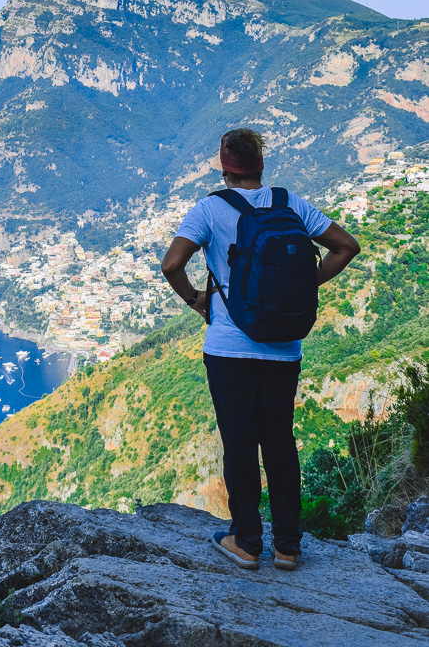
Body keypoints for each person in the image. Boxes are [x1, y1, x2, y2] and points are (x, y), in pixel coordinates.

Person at [161, 127, 360, 571]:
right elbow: (347, 246)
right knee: (280, 443)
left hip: (229, 348)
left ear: (223, 164)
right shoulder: (291, 204)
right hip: (284, 347)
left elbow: (172, 264)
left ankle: (247, 542)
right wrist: (306, 286)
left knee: (239, 443)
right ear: (261, 164)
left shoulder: (209, 209)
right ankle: (288, 546)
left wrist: (198, 301)